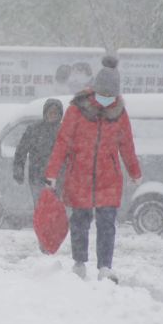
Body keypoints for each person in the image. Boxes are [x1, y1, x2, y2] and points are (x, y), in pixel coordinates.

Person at [44, 56, 142, 283]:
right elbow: (62, 143)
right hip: (80, 176)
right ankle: (79, 263)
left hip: (109, 178)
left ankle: (105, 267)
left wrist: (134, 171)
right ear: (95, 89)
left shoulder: (119, 113)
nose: (107, 99)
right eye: (103, 94)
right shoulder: (77, 110)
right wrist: (52, 173)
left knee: (107, 224)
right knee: (80, 221)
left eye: (111, 96)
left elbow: (127, 145)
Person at [13, 98, 64, 206]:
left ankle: (52, 223)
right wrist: (18, 169)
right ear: (45, 113)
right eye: (50, 112)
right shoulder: (34, 129)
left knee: (54, 209)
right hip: (37, 177)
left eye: (56, 113)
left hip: (57, 178)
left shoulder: (64, 131)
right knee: (41, 208)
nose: (53, 115)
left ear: (60, 115)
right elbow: (21, 151)